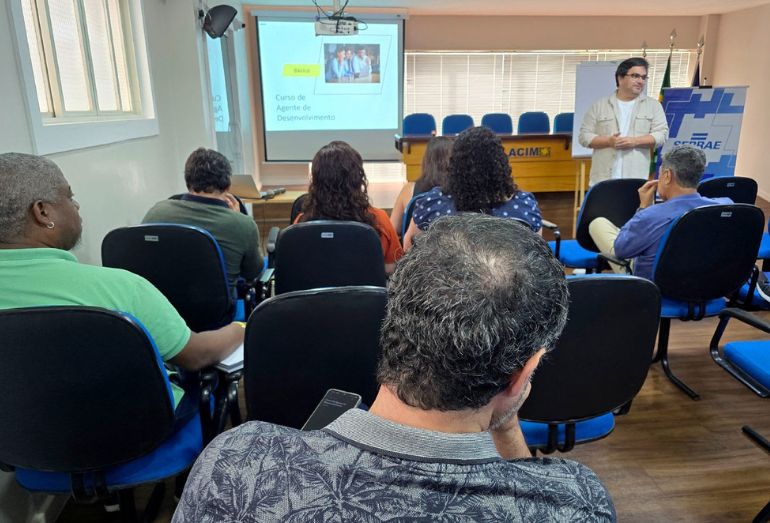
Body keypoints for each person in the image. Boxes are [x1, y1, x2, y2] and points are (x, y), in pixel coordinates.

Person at [173, 213, 616, 522]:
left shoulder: (235, 464)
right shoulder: (575, 505)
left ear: (395, 315)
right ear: (523, 373)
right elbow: (528, 483)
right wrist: (506, 416)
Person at [0, 153, 243, 416]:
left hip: (18, 447)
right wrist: (241, 328)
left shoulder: (156, 213)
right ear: (42, 211)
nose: (77, 206)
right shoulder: (121, 288)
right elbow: (195, 356)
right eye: (69, 197)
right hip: (132, 440)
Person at [589, 144, 731, 280]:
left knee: (597, 224)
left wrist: (643, 207)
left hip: (655, 287)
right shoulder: (725, 206)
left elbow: (621, 250)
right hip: (705, 284)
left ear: (667, 176)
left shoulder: (651, 216)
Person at [404, 126, 542, 249]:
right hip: (510, 276)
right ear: (501, 164)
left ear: (455, 165)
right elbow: (537, 254)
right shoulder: (524, 206)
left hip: (445, 277)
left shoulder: (433, 204)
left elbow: (409, 248)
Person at [142, 147, 263, 287]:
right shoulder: (243, 224)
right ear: (228, 185)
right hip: (215, 307)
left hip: (162, 304)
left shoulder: (157, 212)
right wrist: (237, 219)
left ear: (188, 182)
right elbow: (252, 272)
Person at [295, 141, 403, 273]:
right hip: (364, 294)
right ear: (357, 179)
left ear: (316, 181)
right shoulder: (379, 221)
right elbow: (395, 268)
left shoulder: (300, 224)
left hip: (311, 293)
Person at [578, 57, 669, 186]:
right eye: (635, 76)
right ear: (620, 78)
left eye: (644, 77)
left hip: (636, 180)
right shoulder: (599, 105)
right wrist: (609, 141)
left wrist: (635, 141)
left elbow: (662, 135)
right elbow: (584, 136)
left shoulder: (653, 106)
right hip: (603, 180)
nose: (640, 81)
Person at [389, 136, 453, 235]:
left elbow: (392, 229)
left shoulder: (409, 189)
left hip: (417, 248)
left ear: (426, 160)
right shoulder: (461, 193)